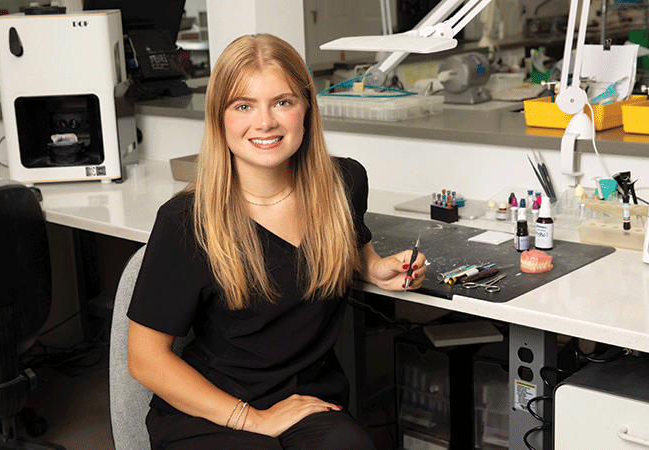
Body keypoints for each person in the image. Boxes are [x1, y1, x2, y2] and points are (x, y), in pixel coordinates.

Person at [126, 33, 427, 450]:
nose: (264, 122)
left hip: (304, 398)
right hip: (211, 407)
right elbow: (145, 359)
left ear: (306, 108)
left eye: (282, 102)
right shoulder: (185, 222)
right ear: (220, 118)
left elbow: (347, 245)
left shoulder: (344, 184)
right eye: (243, 105)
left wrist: (376, 267)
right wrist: (252, 419)